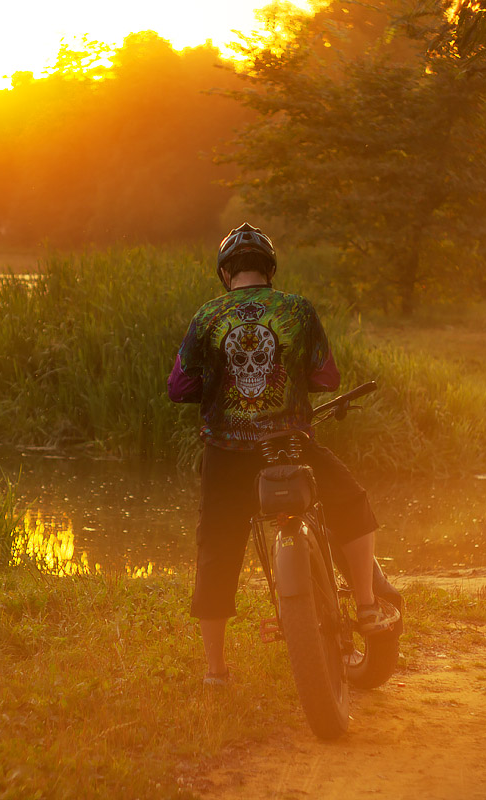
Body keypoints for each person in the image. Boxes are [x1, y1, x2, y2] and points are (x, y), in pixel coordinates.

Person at [167, 222, 399, 686]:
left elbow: (179, 386)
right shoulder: (296, 310)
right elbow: (328, 379)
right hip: (291, 449)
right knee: (350, 501)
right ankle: (368, 606)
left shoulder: (207, 317)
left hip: (227, 458)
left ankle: (216, 671)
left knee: (216, 548)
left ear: (225, 272)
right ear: (269, 270)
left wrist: (222, 384)